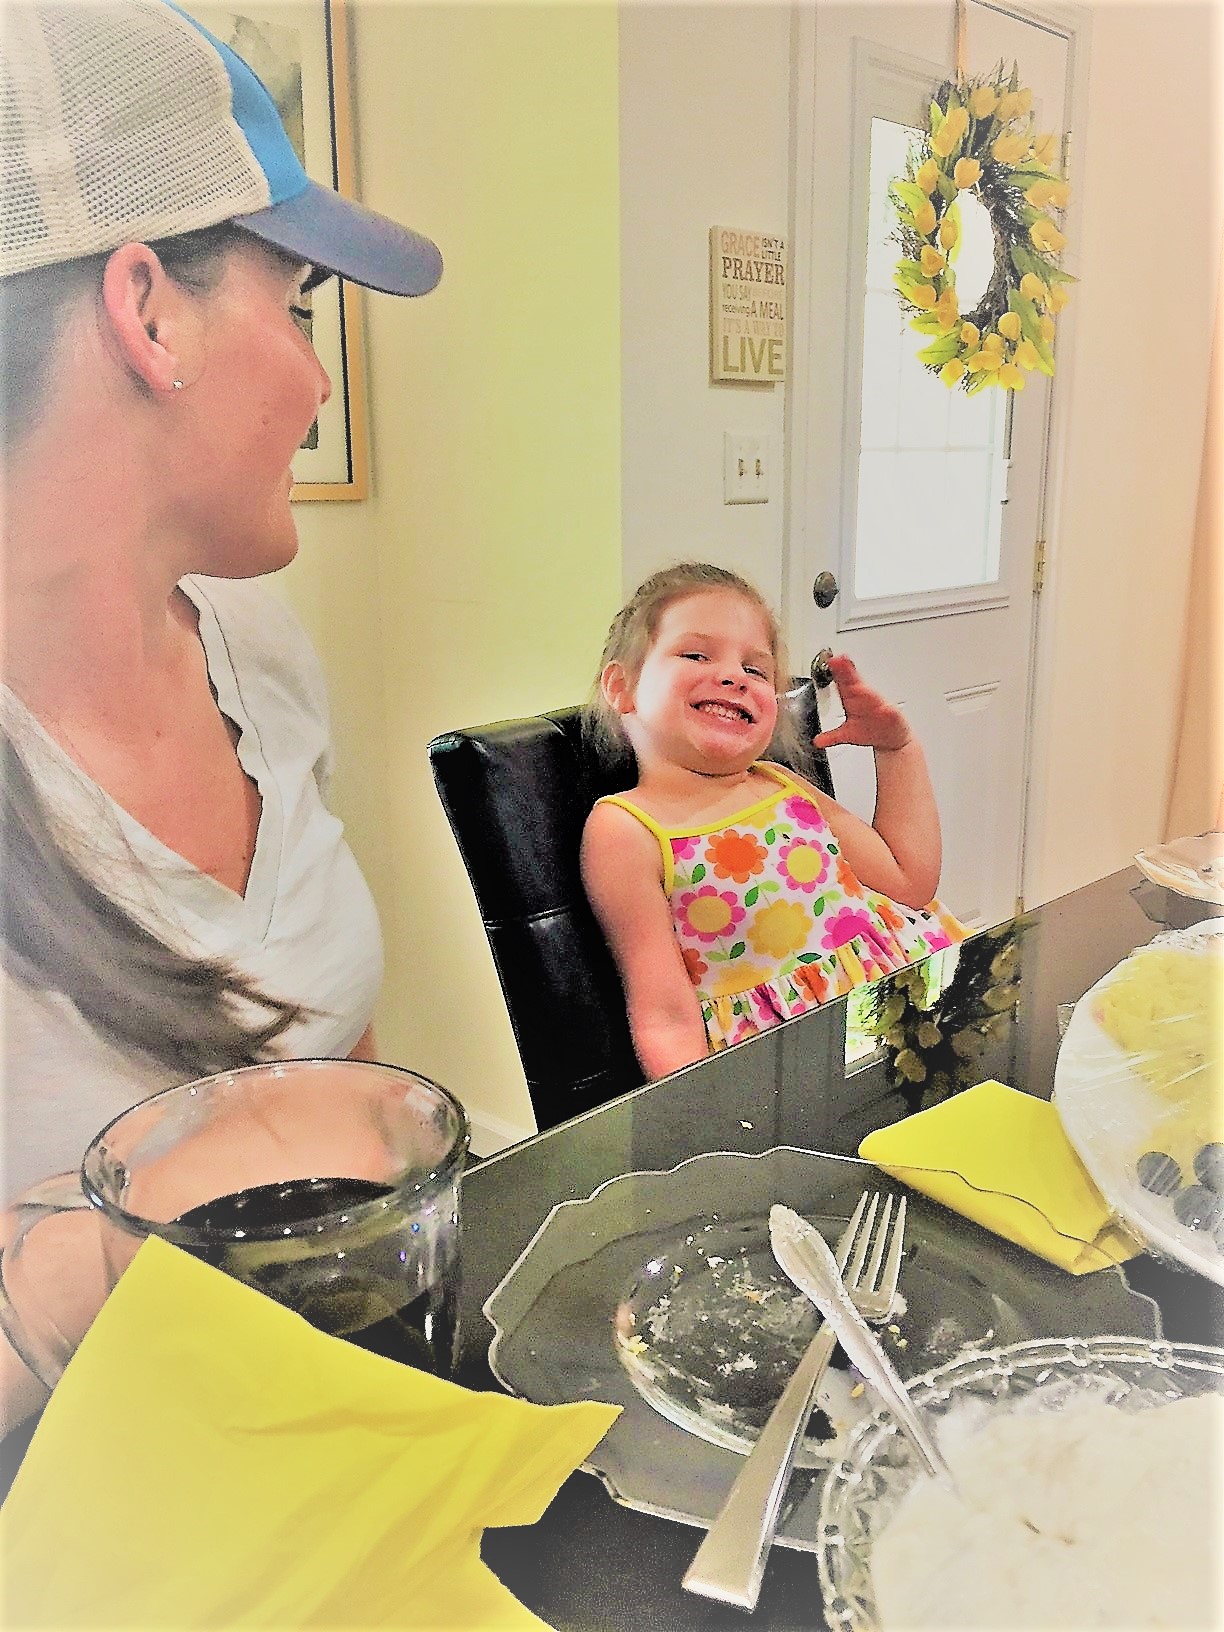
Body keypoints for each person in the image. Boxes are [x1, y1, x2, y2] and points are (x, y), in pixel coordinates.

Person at [0, 0, 442, 1429]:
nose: (317, 382)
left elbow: (342, 1057)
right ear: (148, 311)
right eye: (299, 308)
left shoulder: (257, 647)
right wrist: (155, 1207)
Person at [580, 563, 965, 1080]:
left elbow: (909, 884)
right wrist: (696, 1112)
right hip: (785, 1072)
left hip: (909, 1018)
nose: (734, 677)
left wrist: (897, 749)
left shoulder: (781, 783)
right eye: (696, 654)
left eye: (756, 670)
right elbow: (665, 1017)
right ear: (622, 687)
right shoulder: (626, 828)